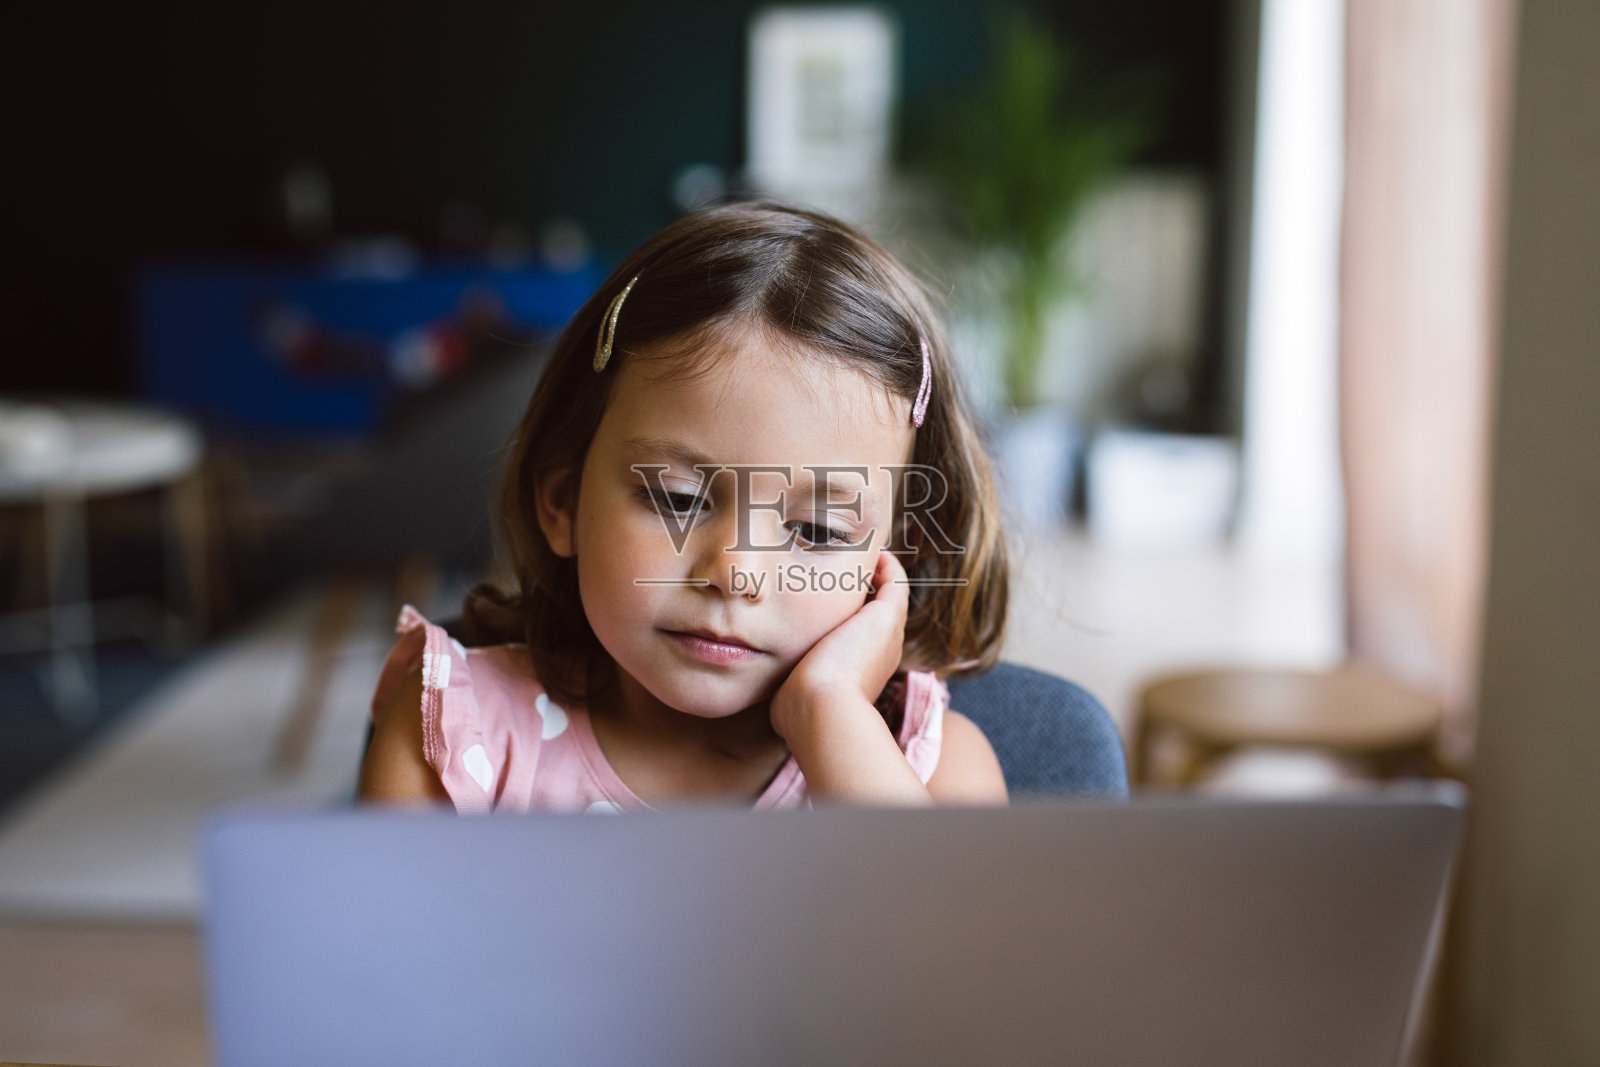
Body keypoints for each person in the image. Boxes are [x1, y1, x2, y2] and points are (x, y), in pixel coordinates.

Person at [358, 201, 1011, 812]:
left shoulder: (932, 773)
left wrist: (831, 714)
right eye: (677, 500)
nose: (735, 571)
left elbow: (957, 936)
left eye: (815, 529)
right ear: (562, 501)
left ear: (894, 556)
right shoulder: (449, 734)